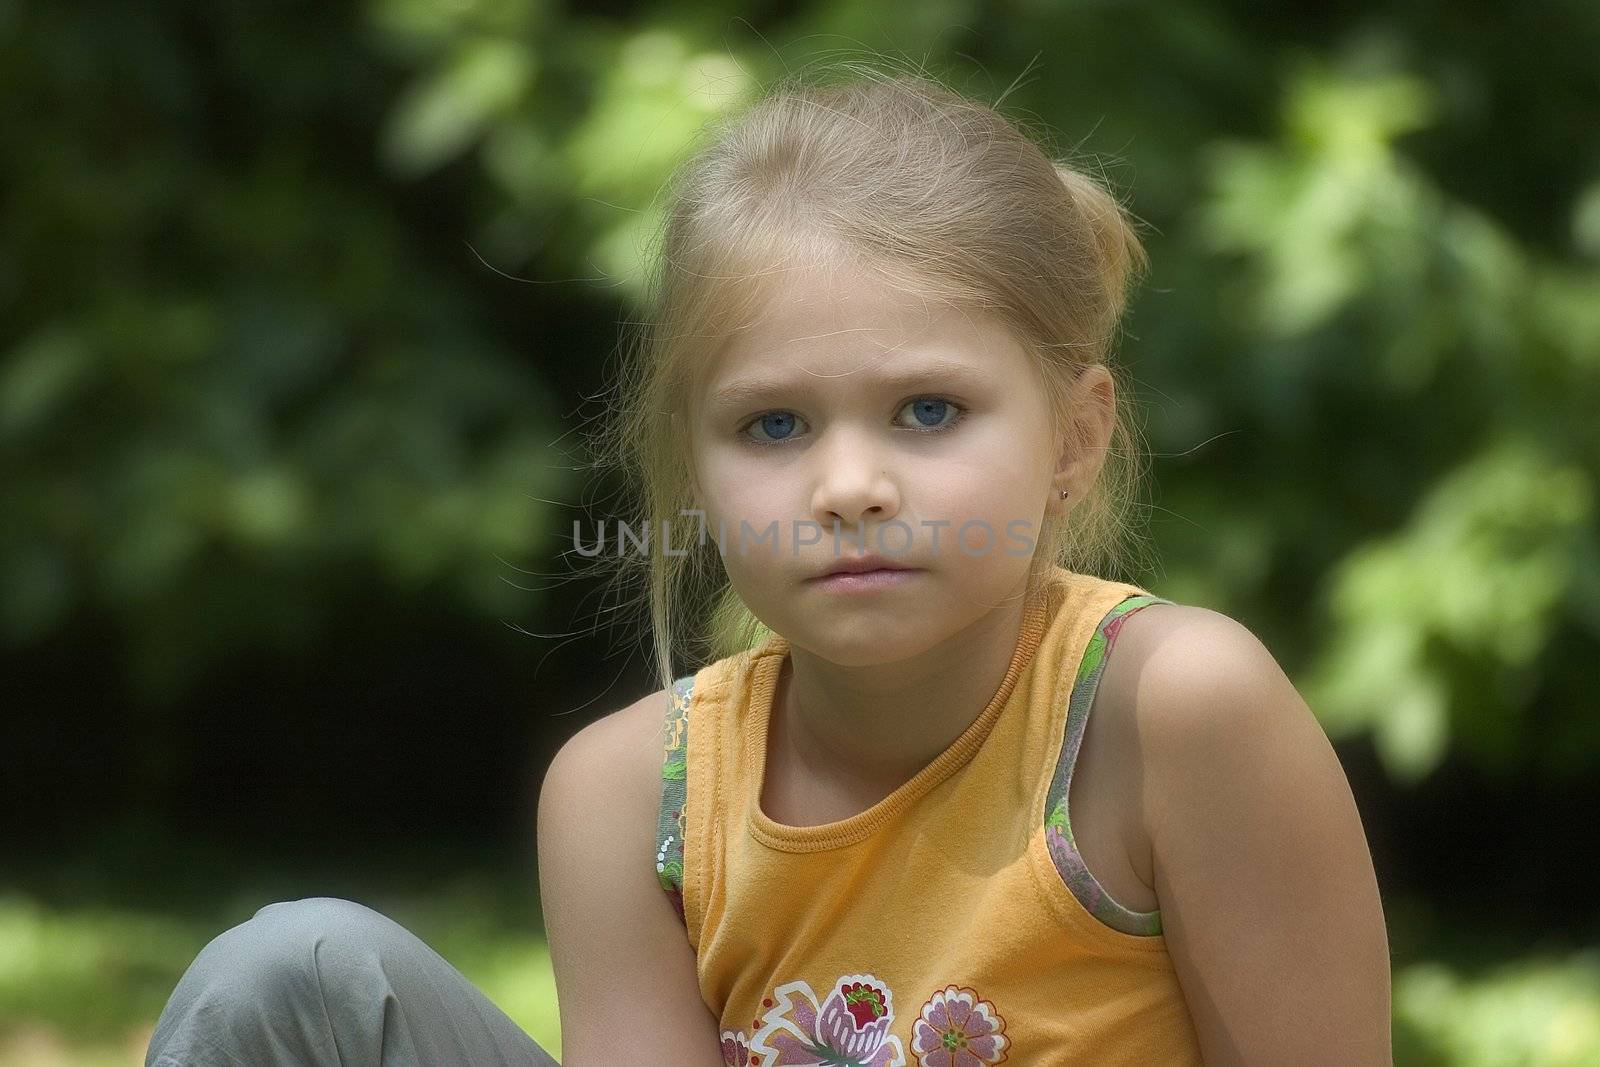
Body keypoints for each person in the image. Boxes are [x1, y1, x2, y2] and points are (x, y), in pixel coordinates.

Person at [147, 60, 1392, 1066]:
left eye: (927, 410)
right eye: (774, 425)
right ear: (692, 469)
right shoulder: (628, 791)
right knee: (294, 975)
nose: (848, 485)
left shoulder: (1172, 708)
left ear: (1074, 436)